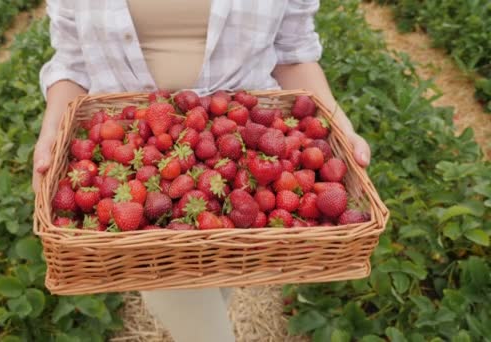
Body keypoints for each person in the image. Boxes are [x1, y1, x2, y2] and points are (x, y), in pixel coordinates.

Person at [32, 1, 370, 341]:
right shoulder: (140, 186)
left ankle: (216, 281)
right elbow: (72, 64)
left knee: (218, 266)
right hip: (129, 145)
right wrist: (51, 134)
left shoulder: (246, 172)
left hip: (246, 134)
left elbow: (294, 53)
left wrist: (338, 122)